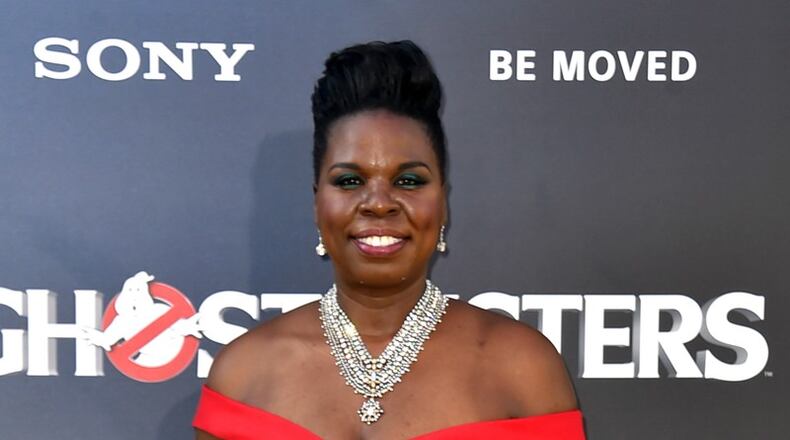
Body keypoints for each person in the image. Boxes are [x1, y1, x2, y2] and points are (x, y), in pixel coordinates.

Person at [194, 40, 585, 439]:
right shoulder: (242, 377)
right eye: (350, 181)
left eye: (409, 181)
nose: (379, 203)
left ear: (443, 203)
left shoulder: (523, 369)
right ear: (317, 203)